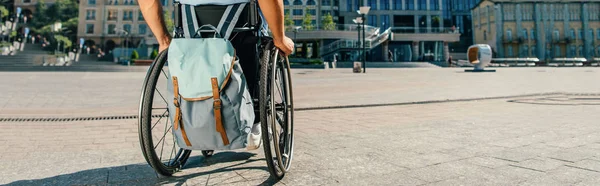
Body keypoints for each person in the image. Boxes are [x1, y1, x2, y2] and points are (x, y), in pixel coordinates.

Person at [138, 0, 294, 150]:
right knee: (256, 42)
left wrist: (163, 40)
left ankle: (199, 121)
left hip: (188, 20)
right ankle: (254, 121)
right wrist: (279, 38)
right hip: (242, 23)